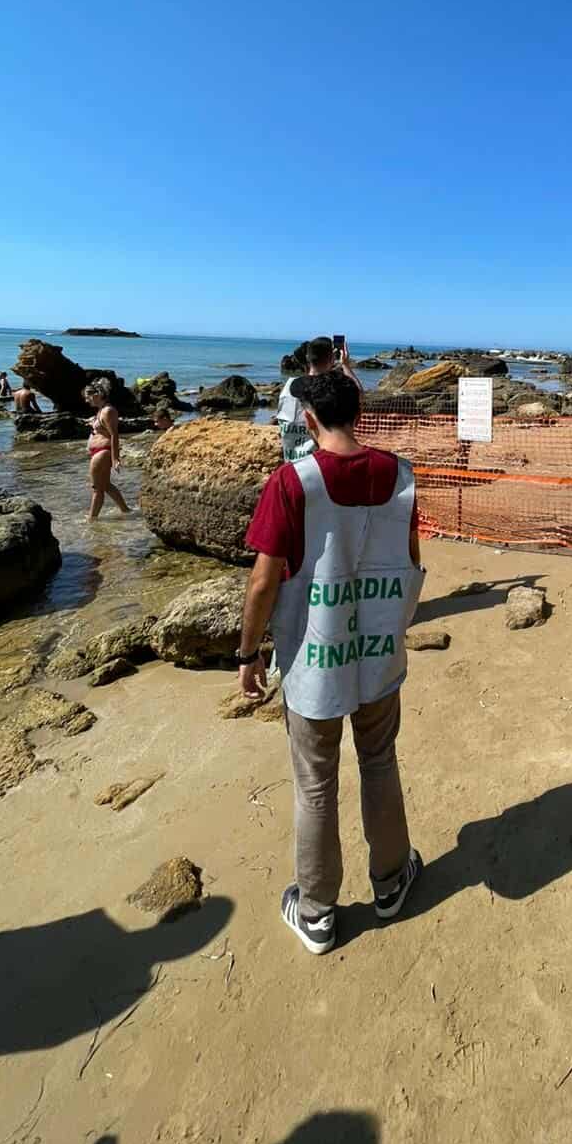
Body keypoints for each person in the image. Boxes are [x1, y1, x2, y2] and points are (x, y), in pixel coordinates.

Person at [238, 370, 425, 956]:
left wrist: (248, 653)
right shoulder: (401, 475)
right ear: (359, 411)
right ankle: (391, 880)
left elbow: (264, 581)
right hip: (378, 652)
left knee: (316, 784)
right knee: (380, 761)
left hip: (314, 658)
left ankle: (317, 911)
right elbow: (411, 560)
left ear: (308, 419)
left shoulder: (293, 481)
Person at [276, 337, 362, 463]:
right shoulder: (329, 390)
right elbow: (357, 394)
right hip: (318, 464)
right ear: (332, 358)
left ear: (308, 357)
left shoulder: (288, 387)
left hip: (291, 460)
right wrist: (345, 365)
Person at [83, 378, 130, 519]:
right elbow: (103, 430)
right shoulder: (101, 410)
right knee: (106, 485)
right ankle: (126, 510)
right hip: (99, 452)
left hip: (102, 452)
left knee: (97, 489)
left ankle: (92, 519)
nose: (86, 400)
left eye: (88, 397)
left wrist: (115, 458)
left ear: (97, 395)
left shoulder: (108, 411)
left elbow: (114, 434)